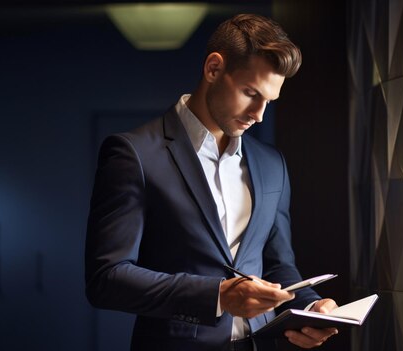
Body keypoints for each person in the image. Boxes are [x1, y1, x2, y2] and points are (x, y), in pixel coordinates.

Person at [85, 13, 338, 351]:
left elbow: (279, 266)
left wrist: (310, 309)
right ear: (214, 69)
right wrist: (218, 295)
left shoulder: (271, 164)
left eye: (269, 101)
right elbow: (106, 278)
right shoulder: (134, 154)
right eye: (250, 93)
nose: (259, 113)